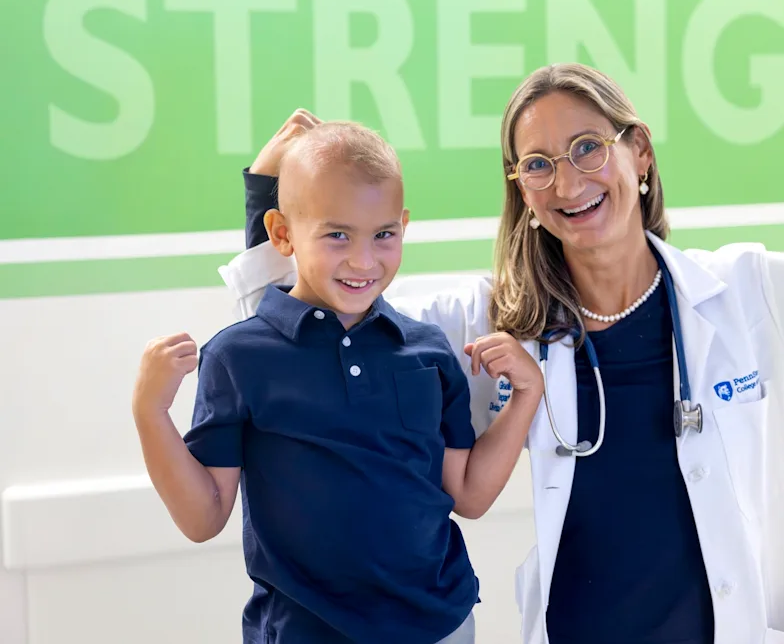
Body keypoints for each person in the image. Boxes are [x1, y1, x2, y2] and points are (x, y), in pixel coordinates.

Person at [220, 64, 784, 644]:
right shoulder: (490, 322)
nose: (568, 180)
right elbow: (303, 348)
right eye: (538, 164)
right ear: (521, 189)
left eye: (588, 148)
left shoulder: (748, 291)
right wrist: (269, 205)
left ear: (637, 153)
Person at [132, 122, 545, 644]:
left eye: (383, 235)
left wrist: (525, 397)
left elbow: (468, 494)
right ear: (282, 233)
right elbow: (203, 517)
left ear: (404, 226)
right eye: (337, 235)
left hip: (440, 628)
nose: (363, 260)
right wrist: (150, 413)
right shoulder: (238, 357)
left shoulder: (429, 350)